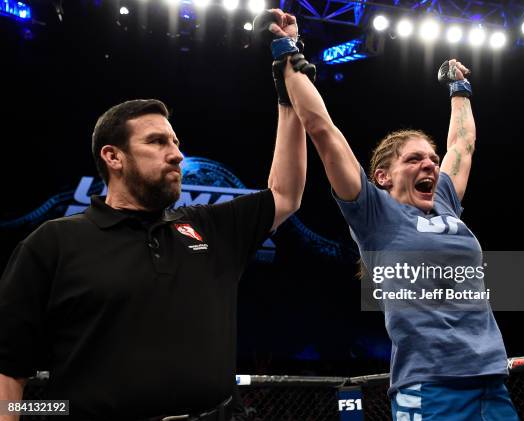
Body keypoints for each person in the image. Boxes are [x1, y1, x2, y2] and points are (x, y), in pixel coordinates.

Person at [263, 10, 520, 421]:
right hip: (431, 386)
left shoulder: (445, 200)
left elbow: (463, 144)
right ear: (382, 176)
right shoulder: (373, 213)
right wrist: (287, 55)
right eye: (415, 159)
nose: (431, 166)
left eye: (432, 160)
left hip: (490, 378)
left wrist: (459, 87)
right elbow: (322, 128)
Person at [0, 97, 306, 420]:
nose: (177, 155)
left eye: (174, 142)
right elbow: (8, 366)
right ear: (113, 156)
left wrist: (288, 95)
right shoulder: (52, 244)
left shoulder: (209, 228)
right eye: (157, 142)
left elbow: (285, 195)